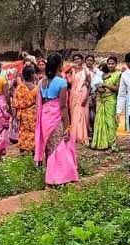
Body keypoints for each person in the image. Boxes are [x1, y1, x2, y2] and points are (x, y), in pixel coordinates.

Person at [35, 52, 79, 186]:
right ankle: (61, 177)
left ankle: (51, 177)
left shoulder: (41, 82)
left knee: (50, 147)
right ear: (60, 65)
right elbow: (63, 106)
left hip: (45, 118)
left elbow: (40, 102)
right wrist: (67, 126)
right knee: (60, 146)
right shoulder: (61, 82)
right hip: (56, 117)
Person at [90, 57, 120, 151]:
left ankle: (112, 143)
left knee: (110, 121)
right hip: (100, 99)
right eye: (109, 63)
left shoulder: (119, 74)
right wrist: (99, 88)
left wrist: (105, 85)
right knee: (99, 120)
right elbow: (95, 85)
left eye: (112, 63)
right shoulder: (102, 74)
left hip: (111, 100)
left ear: (116, 64)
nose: (110, 65)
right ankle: (100, 143)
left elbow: (117, 89)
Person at [12, 64, 38, 153]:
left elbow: (15, 104)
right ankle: (34, 154)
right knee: (34, 134)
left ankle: (22, 155)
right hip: (33, 115)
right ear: (32, 75)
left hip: (22, 115)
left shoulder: (19, 88)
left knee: (23, 133)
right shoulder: (36, 88)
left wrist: (15, 117)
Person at [67, 54, 90, 144]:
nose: (76, 61)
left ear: (82, 60)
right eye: (75, 59)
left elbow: (89, 84)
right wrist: (71, 67)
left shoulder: (86, 70)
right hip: (73, 93)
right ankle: (74, 134)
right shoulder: (72, 70)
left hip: (82, 93)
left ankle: (81, 135)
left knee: (81, 113)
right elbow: (64, 72)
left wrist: (86, 96)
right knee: (74, 114)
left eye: (78, 59)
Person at [86, 54, 103, 141]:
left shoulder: (97, 71)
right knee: (87, 114)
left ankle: (94, 132)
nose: (89, 62)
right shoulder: (83, 70)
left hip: (94, 94)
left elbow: (100, 81)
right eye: (88, 60)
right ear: (85, 61)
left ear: (93, 62)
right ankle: (87, 132)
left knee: (94, 113)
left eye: (91, 60)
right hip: (84, 94)